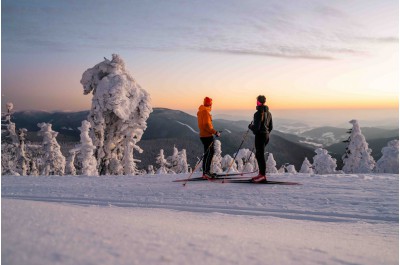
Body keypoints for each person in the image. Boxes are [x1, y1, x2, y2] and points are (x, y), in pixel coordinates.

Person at [248, 95, 273, 182]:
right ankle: (261, 174)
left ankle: (262, 175)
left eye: (257, 101)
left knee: (260, 155)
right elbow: (271, 127)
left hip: (260, 136)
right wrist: (266, 133)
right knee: (260, 155)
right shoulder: (269, 113)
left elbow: (256, 128)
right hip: (266, 136)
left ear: (258, 102)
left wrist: (250, 126)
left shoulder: (258, 113)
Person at [197, 97, 220, 178]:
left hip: (203, 135)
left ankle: (206, 172)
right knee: (209, 153)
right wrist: (215, 132)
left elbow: (204, 125)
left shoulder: (201, 111)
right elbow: (207, 125)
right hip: (207, 136)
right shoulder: (206, 112)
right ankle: (206, 172)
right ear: (210, 104)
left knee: (208, 153)